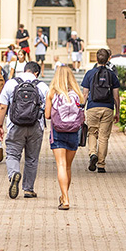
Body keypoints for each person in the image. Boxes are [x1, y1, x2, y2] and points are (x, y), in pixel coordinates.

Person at [0, 61, 49, 199]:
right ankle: (28, 189)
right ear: (36, 73)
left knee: (12, 154)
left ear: (24, 70)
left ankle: (14, 174)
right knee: (32, 158)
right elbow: (49, 108)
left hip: (15, 125)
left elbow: (2, 106)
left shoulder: (11, 83)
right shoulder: (42, 86)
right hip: (35, 125)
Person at [45, 66, 84, 210]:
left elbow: (47, 115)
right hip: (74, 132)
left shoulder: (52, 93)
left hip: (58, 132)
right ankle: (64, 196)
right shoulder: (77, 93)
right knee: (68, 166)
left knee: (60, 165)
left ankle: (65, 198)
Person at [81, 48, 120, 173]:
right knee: (103, 137)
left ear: (96, 59)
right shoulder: (112, 75)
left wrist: (82, 108)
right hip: (107, 108)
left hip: (92, 107)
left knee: (92, 132)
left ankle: (93, 154)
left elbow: (85, 94)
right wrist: (117, 111)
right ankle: (101, 165)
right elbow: (116, 96)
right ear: (108, 59)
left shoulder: (89, 74)